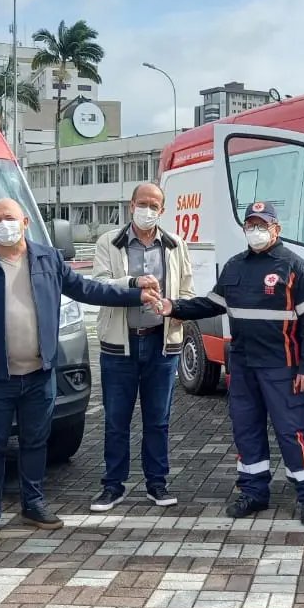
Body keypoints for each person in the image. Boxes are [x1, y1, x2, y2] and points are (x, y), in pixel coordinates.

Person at [0, 199, 155, 539]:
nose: (3, 224)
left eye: (9, 218)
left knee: (35, 442)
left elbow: (87, 289)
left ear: (25, 222)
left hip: (40, 373)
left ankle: (33, 503)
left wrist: (135, 294)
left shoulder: (47, 259)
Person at [159, 201, 304, 526]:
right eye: (251, 224)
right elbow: (210, 304)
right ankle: (253, 492)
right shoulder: (234, 266)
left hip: (282, 367)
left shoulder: (294, 266)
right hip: (243, 365)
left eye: (262, 224)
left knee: (292, 433)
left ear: (276, 229)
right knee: (246, 431)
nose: (256, 230)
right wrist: (173, 307)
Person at [88, 182, 196, 511]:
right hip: (119, 346)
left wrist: (175, 308)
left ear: (162, 210)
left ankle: (157, 483)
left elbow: (187, 290)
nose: (147, 210)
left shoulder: (175, 244)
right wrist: (134, 284)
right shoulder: (109, 242)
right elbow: (99, 286)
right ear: (131, 205)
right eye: (142, 204)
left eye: (154, 205)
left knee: (158, 420)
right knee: (116, 420)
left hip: (161, 345)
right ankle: (113, 485)